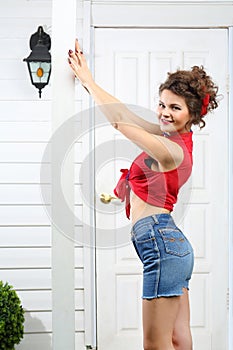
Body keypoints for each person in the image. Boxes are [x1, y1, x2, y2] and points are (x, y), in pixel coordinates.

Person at [68, 40, 219, 350]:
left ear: (192, 114)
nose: (164, 112)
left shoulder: (173, 150)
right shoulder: (168, 135)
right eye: (162, 104)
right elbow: (123, 112)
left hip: (161, 244)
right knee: (178, 340)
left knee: (155, 343)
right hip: (172, 245)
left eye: (175, 108)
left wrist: (89, 81)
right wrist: (89, 82)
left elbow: (117, 122)